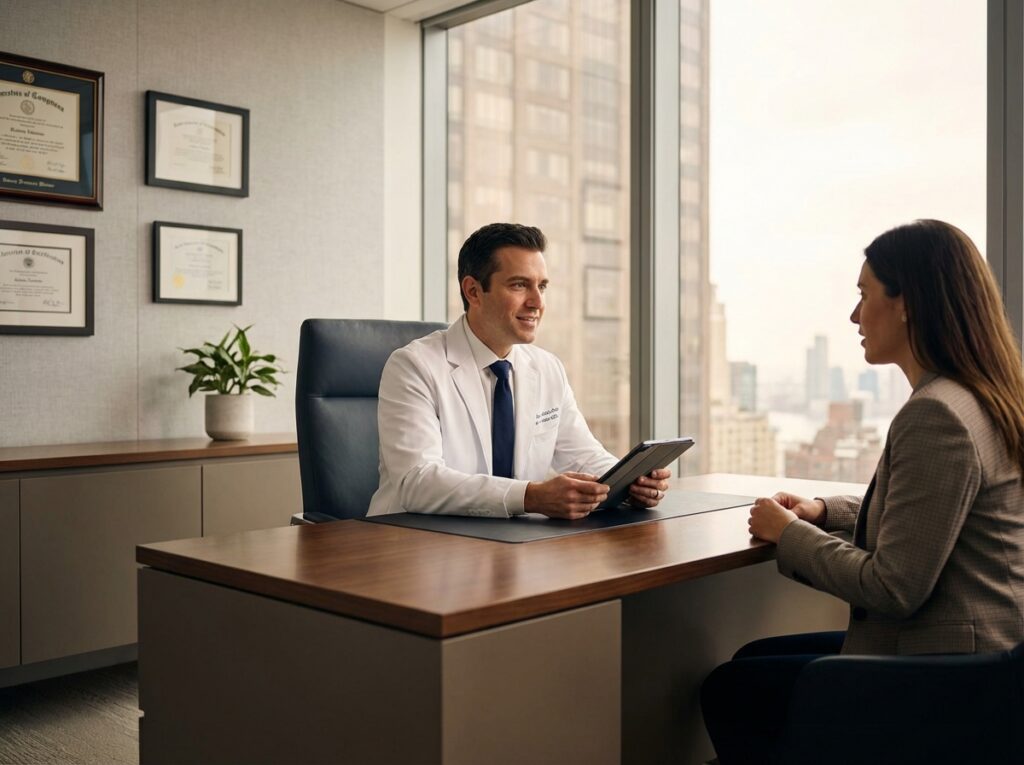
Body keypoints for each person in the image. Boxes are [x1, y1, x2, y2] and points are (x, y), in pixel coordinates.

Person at [701, 219, 1024, 764]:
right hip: (991, 659)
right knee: (751, 665)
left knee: (734, 690)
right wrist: (825, 511)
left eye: (864, 294)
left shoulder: (936, 413)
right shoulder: (983, 396)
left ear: (906, 303)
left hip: (947, 677)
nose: (854, 315)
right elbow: (930, 509)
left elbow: (894, 588)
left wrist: (791, 535)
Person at [367, 222, 671, 519]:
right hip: (413, 541)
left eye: (542, 286)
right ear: (473, 291)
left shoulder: (547, 368)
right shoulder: (413, 366)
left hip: (511, 542)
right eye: (519, 285)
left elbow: (583, 454)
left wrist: (631, 482)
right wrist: (530, 497)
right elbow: (417, 482)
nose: (537, 302)